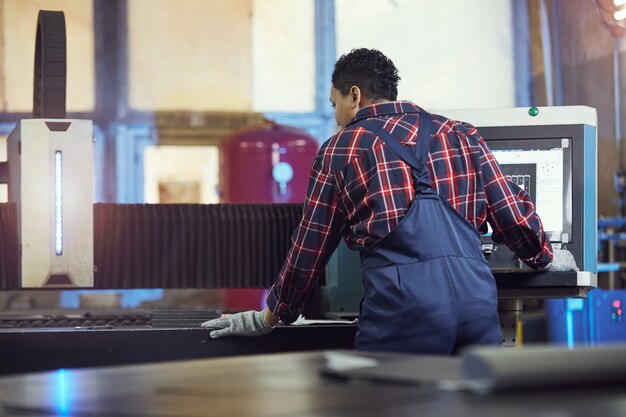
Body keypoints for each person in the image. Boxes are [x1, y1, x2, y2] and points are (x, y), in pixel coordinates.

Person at [202, 48, 577, 354]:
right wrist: (544, 256)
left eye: (334, 104)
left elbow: (310, 246)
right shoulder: (459, 133)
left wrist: (272, 315)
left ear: (354, 95)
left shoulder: (341, 149)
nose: (335, 117)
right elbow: (510, 212)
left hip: (405, 312)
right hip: (476, 305)